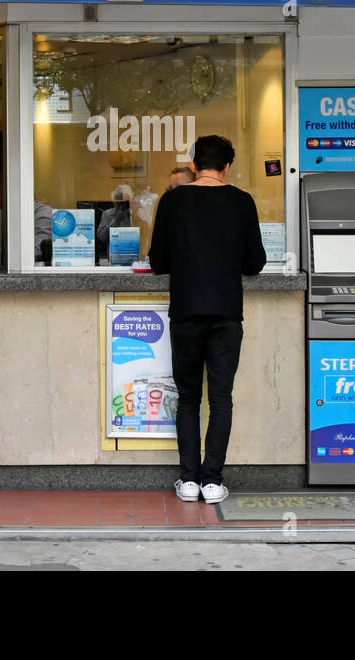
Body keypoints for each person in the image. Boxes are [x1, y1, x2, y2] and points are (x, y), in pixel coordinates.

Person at [148, 135, 266, 504]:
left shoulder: (172, 201)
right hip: (226, 314)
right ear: (227, 166)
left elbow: (157, 262)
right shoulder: (242, 202)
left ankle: (188, 481)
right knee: (221, 398)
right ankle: (213, 481)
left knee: (188, 398)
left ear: (195, 164)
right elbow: (255, 263)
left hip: (185, 313)